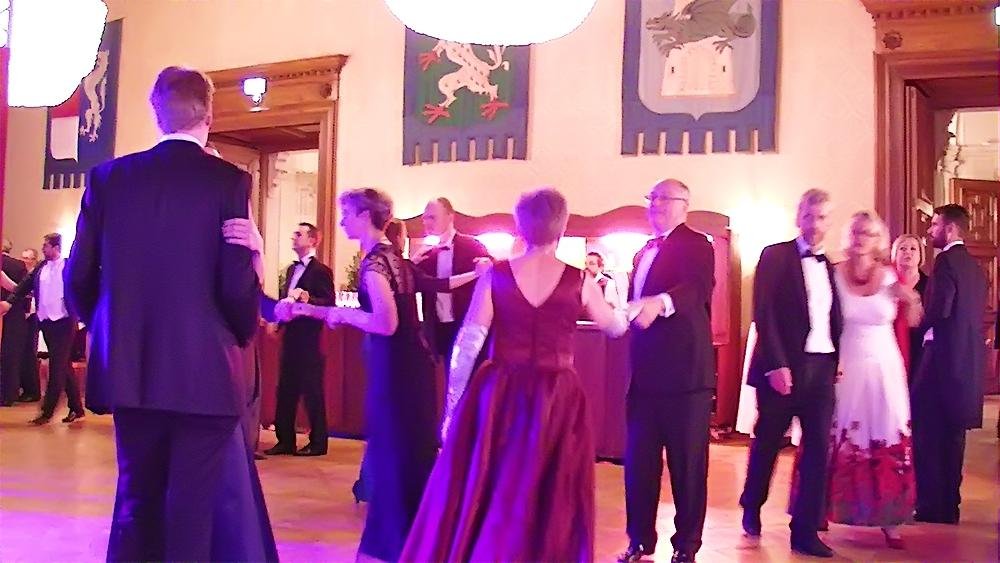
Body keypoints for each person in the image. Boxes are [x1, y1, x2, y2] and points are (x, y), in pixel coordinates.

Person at [64, 66, 275, 561]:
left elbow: (78, 278)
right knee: (190, 510)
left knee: (136, 500)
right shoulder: (228, 181)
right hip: (205, 371)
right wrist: (242, 327)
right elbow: (234, 284)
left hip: (130, 369)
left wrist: (110, 327)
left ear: (155, 112)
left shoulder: (109, 179)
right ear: (210, 114)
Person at [400, 188, 628, 561]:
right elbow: (614, 326)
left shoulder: (496, 276)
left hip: (500, 390)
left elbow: (468, 344)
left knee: (495, 482)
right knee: (550, 487)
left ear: (520, 226)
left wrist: (452, 408)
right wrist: (637, 307)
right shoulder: (580, 280)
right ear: (562, 226)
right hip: (558, 395)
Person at [277, 188, 484, 562]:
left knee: (393, 454)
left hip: (395, 368)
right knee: (411, 453)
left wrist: (340, 315)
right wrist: (314, 312)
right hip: (415, 366)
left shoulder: (375, 264)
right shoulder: (396, 259)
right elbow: (436, 286)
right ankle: (421, 541)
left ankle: (394, 545)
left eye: (346, 214)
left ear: (363, 216)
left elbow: (385, 323)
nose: (342, 221)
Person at [807, 212, 921, 548]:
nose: (861, 238)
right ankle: (822, 508)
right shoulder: (833, 273)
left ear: (878, 239)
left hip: (885, 368)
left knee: (887, 431)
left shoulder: (889, 276)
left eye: (868, 233)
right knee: (837, 434)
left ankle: (890, 519)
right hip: (845, 364)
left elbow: (914, 319)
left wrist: (911, 298)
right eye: (856, 231)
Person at [739, 189, 842, 559]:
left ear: (829, 222)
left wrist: (836, 360)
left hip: (822, 368)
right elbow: (764, 312)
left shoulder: (830, 266)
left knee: (817, 451)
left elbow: (831, 319)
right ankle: (752, 503)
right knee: (768, 442)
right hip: (783, 367)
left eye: (822, 217)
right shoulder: (775, 254)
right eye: (809, 216)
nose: (815, 224)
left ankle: (805, 531)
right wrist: (776, 364)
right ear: (799, 217)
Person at [618, 179, 715, 563]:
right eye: (651, 198)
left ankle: (686, 546)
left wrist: (659, 303)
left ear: (684, 204)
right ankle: (639, 540)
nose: (654, 204)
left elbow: (696, 288)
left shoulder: (698, 244)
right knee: (638, 465)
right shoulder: (643, 251)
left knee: (687, 468)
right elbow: (634, 305)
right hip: (644, 377)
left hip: (686, 379)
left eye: (663, 198)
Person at [911, 204, 988, 525]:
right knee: (953, 438)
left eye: (935, 225)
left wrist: (918, 320)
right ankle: (949, 506)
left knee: (927, 433)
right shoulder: (976, 269)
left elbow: (941, 309)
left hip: (940, 361)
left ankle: (930, 506)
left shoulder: (945, 261)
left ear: (951, 229)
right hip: (966, 363)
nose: (930, 231)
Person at [265, 222, 335, 457]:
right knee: (286, 389)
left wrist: (308, 299)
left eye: (299, 234)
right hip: (291, 339)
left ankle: (318, 442)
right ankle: (285, 440)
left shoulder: (321, 271)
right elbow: (287, 304)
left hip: (309, 340)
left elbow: (329, 303)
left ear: (313, 240)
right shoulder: (290, 271)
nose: (293, 237)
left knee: (312, 391)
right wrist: (277, 322)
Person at [1, 234, 83, 425]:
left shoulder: (68, 266)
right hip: (46, 321)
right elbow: (23, 286)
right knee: (63, 365)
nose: (43, 249)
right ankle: (77, 408)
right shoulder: (40, 268)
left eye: (46, 246)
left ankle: (47, 412)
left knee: (56, 366)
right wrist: (9, 303)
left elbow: (81, 286)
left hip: (64, 321)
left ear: (56, 248)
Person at [412, 197, 491, 375]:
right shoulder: (426, 254)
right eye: (425, 218)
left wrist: (487, 265)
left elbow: (491, 275)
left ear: (450, 216)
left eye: (432, 217)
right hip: (436, 329)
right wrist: (412, 263)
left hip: (466, 325)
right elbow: (417, 285)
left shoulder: (472, 246)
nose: (426, 222)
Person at [891, 234, 929, 379]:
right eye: (903, 248)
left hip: (919, 348)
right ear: (895, 254)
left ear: (920, 255)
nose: (908, 252)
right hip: (891, 344)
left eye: (913, 249)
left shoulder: (930, 285)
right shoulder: (887, 282)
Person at [0, 240, 28, 406]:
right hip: (15, 314)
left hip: (7, 310)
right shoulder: (18, 265)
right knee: (11, 355)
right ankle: (9, 394)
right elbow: (24, 290)